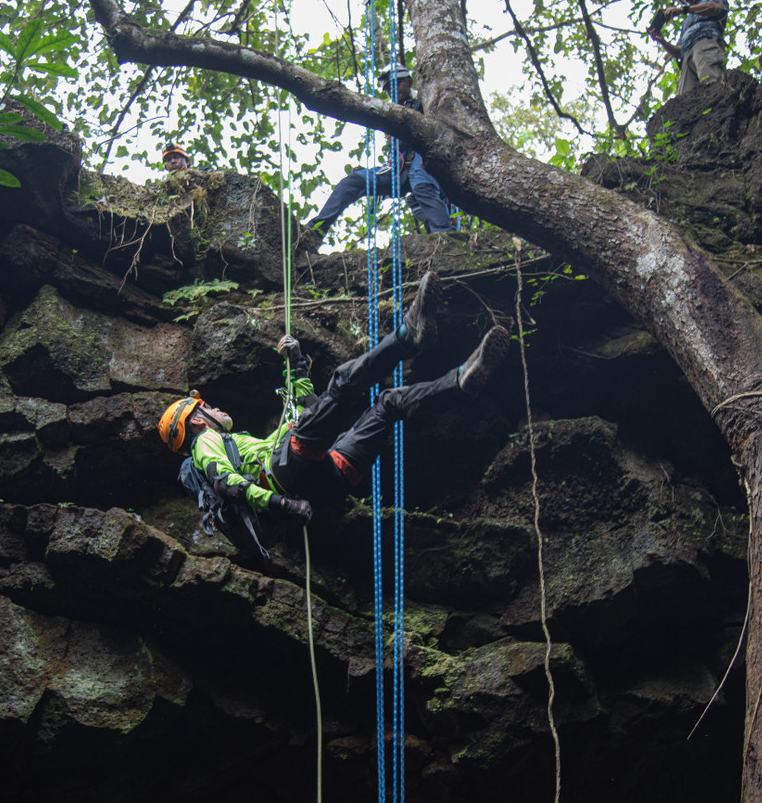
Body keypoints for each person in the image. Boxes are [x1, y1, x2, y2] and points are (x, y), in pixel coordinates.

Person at [158, 272, 509, 542]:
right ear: (198, 422)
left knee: (385, 405)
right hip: (287, 477)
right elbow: (225, 484)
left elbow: (308, 408)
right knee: (343, 385)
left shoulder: (241, 446)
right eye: (207, 408)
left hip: (326, 479)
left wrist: (295, 365)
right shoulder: (206, 444)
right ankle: (407, 335)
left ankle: (459, 382)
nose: (216, 409)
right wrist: (282, 505)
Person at [305, 64, 453, 241]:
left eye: (396, 84)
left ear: (409, 82)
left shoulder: (423, 104)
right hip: (398, 170)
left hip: (422, 158)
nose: (392, 91)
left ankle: (444, 236)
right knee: (351, 183)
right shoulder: (391, 113)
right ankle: (316, 231)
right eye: (388, 89)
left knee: (420, 181)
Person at [648, 0, 730, 96]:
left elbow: (716, 8)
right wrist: (662, 41)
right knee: (686, 99)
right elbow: (678, 51)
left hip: (704, 43)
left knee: (712, 84)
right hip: (686, 57)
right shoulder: (687, 21)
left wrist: (683, 9)